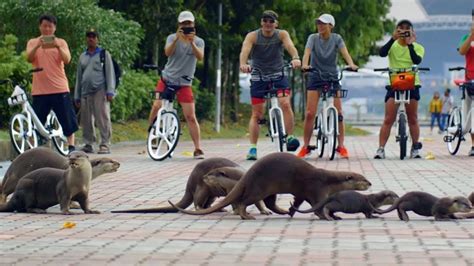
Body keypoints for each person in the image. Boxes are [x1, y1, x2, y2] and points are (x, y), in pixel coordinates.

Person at [239, 10, 301, 160]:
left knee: (285, 103)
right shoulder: (253, 36)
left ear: (276, 24)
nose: (268, 24)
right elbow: (245, 50)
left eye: (271, 21)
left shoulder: (281, 34)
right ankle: (253, 148)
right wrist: (243, 63)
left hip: (278, 74)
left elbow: (290, 46)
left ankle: (290, 136)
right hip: (258, 76)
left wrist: (295, 58)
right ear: (261, 22)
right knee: (257, 114)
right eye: (265, 21)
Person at [297, 13, 358, 159]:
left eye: (323, 23)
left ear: (331, 26)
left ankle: (341, 146)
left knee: (339, 113)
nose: (320, 26)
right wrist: (305, 65)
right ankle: (305, 146)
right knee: (310, 113)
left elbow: (345, 53)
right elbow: (307, 53)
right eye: (318, 23)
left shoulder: (336, 38)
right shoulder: (312, 38)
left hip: (332, 77)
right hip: (315, 76)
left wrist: (351, 64)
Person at [147, 11, 205, 159]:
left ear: (193, 24)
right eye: (183, 24)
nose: (186, 26)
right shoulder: (172, 38)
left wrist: (191, 41)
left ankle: (198, 148)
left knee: (190, 116)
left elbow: (200, 57)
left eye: (189, 24)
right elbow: (167, 52)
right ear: (179, 25)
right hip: (166, 79)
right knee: (156, 106)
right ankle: (152, 134)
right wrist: (177, 39)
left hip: (184, 83)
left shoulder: (198, 41)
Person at [374, 19, 425, 159]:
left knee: (413, 118)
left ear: (412, 31)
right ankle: (381, 149)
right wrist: (392, 39)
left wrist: (409, 44)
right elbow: (382, 53)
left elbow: (416, 60)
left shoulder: (418, 47)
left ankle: (415, 148)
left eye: (407, 29)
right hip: (394, 82)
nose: (403, 31)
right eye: (400, 29)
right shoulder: (393, 45)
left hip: (412, 82)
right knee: (388, 118)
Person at [26, 14, 77, 153]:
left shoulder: (61, 42)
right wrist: (37, 45)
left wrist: (57, 46)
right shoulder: (32, 42)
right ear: (40, 27)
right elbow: (29, 58)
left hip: (59, 88)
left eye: (50, 26)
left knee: (67, 119)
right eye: (44, 26)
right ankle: (32, 149)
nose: (47, 29)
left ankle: (71, 146)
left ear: (54, 28)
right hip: (40, 90)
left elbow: (67, 60)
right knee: (36, 121)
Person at [74, 28, 115, 154]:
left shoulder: (104, 54)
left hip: (100, 89)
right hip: (85, 91)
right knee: (86, 120)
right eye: (88, 36)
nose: (91, 39)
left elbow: (110, 73)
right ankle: (88, 143)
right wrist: (77, 95)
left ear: (97, 39)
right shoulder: (82, 56)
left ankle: (105, 143)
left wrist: (110, 91)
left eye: (93, 36)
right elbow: (79, 77)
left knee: (102, 117)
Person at [458, 22, 474, 156]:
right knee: (469, 112)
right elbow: (462, 51)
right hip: (470, 80)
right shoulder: (466, 38)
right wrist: (471, 36)